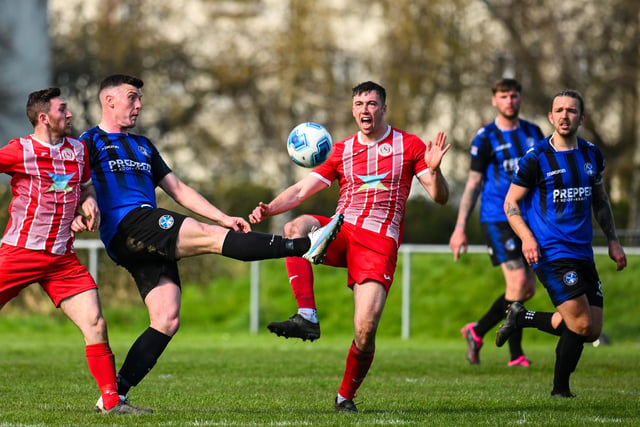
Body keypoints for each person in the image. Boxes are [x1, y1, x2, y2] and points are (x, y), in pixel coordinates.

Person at [79, 74, 343, 411]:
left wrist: (221, 216)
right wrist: (75, 215)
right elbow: (71, 183)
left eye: (140, 98)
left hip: (142, 236)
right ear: (109, 100)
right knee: (210, 239)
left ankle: (113, 397)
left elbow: (179, 189)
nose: (139, 105)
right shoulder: (88, 142)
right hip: (128, 224)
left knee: (166, 318)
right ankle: (303, 246)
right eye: (132, 97)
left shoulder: (144, 146)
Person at [249, 81, 450, 412]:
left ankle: (345, 398)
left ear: (383, 108)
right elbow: (301, 191)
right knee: (295, 227)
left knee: (365, 330)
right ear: (353, 109)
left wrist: (435, 169)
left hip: (378, 243)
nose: (365, 110)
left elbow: (440, 197)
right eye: (359, 104)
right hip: (341, 230)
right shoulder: (341, 150)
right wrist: (270, 208)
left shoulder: (409, 145)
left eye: (371, 104)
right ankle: (307, 316)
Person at [0, 88, 148, 414]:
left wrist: (89, 200)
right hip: (19, 252)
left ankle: (111, 402)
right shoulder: (20, 150)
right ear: (44, 118)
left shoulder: (77, 150)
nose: (69, 115)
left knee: (95, 322)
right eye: (62, 109)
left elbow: (83, 185)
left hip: (61, 260)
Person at [498, 89, 627, 397]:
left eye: (571, 111)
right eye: (559, 110)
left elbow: (600, 199)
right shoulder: (535, 159)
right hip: (550, 251)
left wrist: (613, 240)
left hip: (582, 251)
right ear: (550, 117)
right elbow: (511, 204)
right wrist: (527, 237)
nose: (565, 115)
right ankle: (560, 390)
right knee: (580, 323)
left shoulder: (592, 154)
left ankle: (522, 316)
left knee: (591, 328)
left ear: (581, 117)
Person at [449, 78, 544, 366]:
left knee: (527, 289)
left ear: (520, 98)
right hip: (496, 218)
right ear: (494, 100)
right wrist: (460, 227)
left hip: (527, 219)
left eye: (514, 96)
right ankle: (516, 354)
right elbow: (474, 183)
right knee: (517, 283)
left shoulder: (533, 132)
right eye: (503, 96)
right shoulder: (485, 137)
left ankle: (477, 331)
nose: (509, 101)